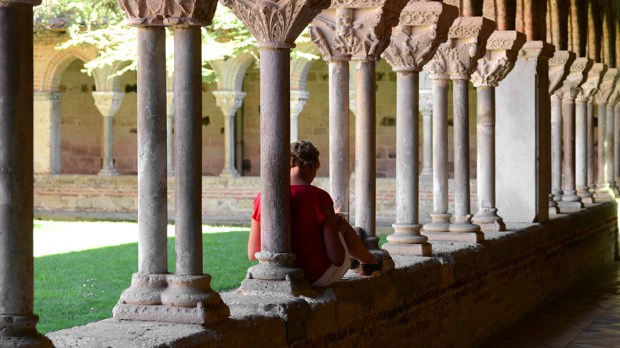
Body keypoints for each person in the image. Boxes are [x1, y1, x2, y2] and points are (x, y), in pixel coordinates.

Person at [248, 140, 382, 286]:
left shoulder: (262, 197)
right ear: (310, 167)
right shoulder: (319, 197)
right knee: (340, 223)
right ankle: (369, 261)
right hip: (316, 277)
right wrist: (332, 221)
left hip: (278, 278)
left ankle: (365, 259)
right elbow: (336, 258)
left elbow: (253, 252)